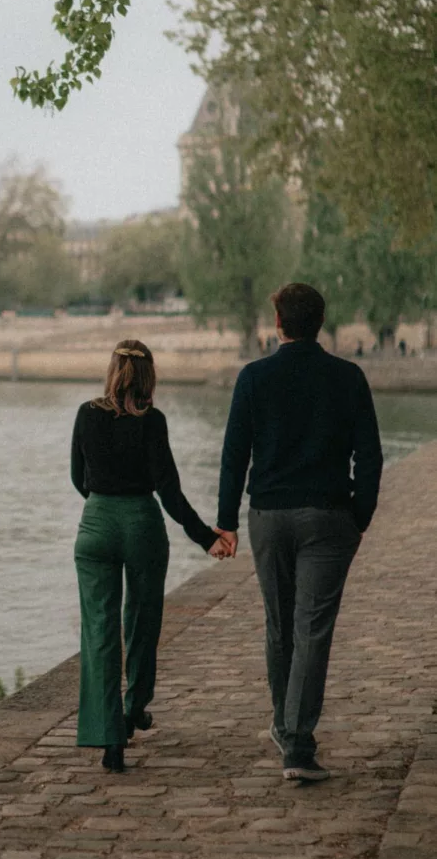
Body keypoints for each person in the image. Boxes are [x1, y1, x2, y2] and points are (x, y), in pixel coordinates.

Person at [215, 283, 383, 783]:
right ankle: (297, 745)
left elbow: (233, 456)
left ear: (278, 324)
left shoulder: (253, 378)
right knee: (312, 629)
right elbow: (369, 455)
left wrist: (226, 520)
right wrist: (361, 515)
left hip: (269, 514)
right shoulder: (348, 378)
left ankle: (285, 728)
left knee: (279, 623)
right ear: (320, 322)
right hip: (329, 516)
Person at [72, 339, 227, 773]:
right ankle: (132, 707)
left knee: (100, 632)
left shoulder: (86, 414)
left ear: (112, 369)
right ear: (148, 377)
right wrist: (206, 537)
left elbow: (77, 477)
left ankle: (110, 741)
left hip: (95, 525)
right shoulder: (152, 421)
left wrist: (103, 503)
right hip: (141, 522)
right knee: (141, 620)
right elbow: (170, 491)